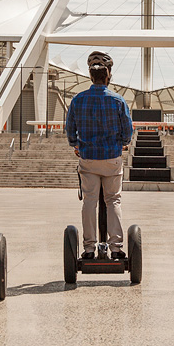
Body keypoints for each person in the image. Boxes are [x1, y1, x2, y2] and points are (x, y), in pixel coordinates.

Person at [66, 51, 133, 258]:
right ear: (108, 75)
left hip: (88, 159)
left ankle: (88, 248)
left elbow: (70, 130)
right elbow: (128, 131)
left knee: (90, 201)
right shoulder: (118, 101)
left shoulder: (78, 100)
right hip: (111, 158)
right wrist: (122, 143)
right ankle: (115, 248)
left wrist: (76, 145)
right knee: (113, 200)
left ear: (91, 76)